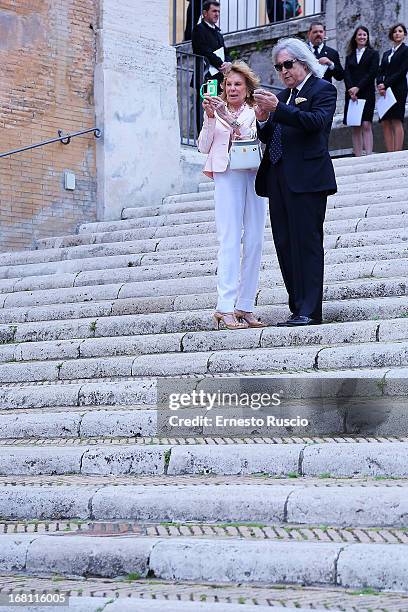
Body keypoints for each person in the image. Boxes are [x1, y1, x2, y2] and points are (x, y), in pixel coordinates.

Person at [254, 38, 337, 326]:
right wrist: (263, 119)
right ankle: (297, 306)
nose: (284, 71)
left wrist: (278, 109)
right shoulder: (283, 96)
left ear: (304, 62)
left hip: (308, 180)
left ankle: (311, 310)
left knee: (307, 243)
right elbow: (269, 136)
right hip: (278, 178)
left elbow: (315, 123)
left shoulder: (322, 89)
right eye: (279, 67)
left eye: (288, 64)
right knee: (285, 244)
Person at [197, 61, 268, 330]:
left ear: (247, 87)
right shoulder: (216, 111)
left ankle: (245, 305)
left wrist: (227, 117)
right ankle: (224, 307)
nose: (232, 88)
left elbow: (249, 134)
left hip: (252, 172)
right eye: (228, 84)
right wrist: (211, 119)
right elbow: (204, 146)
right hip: (226, 174)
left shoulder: (254, 110)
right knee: (228, 239)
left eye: (238, 84)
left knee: (255, 240)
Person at [192, 1, 232, 130]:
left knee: (218, 106)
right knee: (205, 106)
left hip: (218, 77)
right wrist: (221, 64)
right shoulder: (199, 29)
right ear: (204, 13)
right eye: (214, 11)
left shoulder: (218, 33)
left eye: (218, 11)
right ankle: (202, 137)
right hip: (206, 76)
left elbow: (226, 51)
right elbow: (203, 50)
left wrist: (228, 63)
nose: (217, 14)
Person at [343, 26, 379, 156]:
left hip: (366, 93)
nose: (362, 37)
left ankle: (368, 155)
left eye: (364, 35)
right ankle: (358, 155)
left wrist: (358, 88)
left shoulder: (373, 54)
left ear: (367, 37)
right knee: (355, 125)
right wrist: (351, 90)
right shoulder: (350, 56)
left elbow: (372, 73)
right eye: (359, 35)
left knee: (366, 124)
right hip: (352, 95)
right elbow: (346, 74)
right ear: (355, 37)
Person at [377, 23, 408, 152]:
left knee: (396, 120)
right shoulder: (386, 53)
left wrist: (386, 84)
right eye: (395, 31)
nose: (397, 33)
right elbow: (380, 70)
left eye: (400, 31)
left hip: (398, 88)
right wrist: (380, 84)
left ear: (404, 35)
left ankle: (397, 152)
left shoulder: (406, 50)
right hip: (385, 91)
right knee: (385, 121)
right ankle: (389, 153)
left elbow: (402, 71)